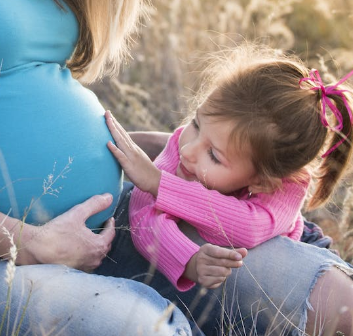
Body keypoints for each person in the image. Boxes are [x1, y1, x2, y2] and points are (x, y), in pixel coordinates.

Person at [97, 45, 353, 336]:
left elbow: (247, 227)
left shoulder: (286, 184)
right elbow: (143, 217)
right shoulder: (184, 148)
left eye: (215, 155)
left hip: (293, 243)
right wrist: (186, 259)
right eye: (196, 124)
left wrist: (159, 183)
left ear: (263, 182)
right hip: (226, 261)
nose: (189, 151)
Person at [0, 0, 200, 335]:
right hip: (17, 254)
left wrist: (130, 149)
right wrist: (33, 241)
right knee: (145, 329)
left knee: (256, 269)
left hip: (101, 228)